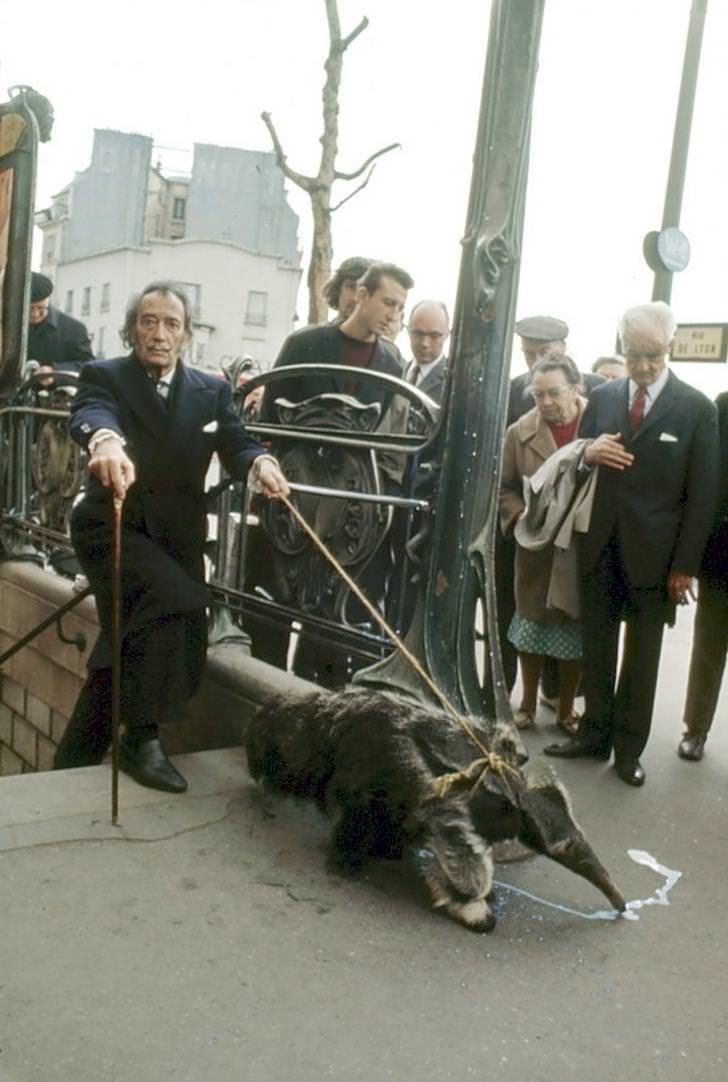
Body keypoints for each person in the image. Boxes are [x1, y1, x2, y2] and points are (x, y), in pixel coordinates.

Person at [53, 281, 288, 792]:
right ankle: (141, 739)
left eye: (171, 324)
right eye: (148, 322)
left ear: (185, 334)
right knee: (177, 600)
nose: (159, 334)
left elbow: (236, 441)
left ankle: (75, 756)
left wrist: (260, 464)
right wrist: (106, 441)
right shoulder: (105, 376)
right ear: (133, 328)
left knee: (128, 633)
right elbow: (90, 413)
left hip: (177, 536)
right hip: (112, 526)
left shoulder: (211, 389)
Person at [545, 301, 719, 787]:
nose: (642, 366)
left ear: (671, 346)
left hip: (658, 559)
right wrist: (587, 453)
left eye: (653, 355)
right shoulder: (603, 396)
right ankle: (593, 735)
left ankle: (628, 750)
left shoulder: (696, 408)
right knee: (596, 647)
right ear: (621, 344)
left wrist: (685, 566)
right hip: (599, 544)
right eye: (633, 353)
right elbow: (572, 462)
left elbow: (702, 495)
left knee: (642, 658)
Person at [500, 355, 587, 734]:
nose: (547, 402)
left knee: (573, 628)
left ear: (576, 387)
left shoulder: (597, 423)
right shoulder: (519, 433)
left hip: (579, 548)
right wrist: (519, 515)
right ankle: (527, 705)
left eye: (555, 393)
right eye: (538, 395)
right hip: (534, 549)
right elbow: (501, 486)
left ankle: (567, 709)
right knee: (530, 628)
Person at [677, 389, 728, 762]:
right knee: (709, 646)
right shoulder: (723, 406)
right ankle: (696, 729)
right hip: (723, 552)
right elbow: (708, 476)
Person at [27, 272, 94, 375]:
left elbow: (87, 365)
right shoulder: (7, 327)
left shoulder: (74, 329)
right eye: (30, 309)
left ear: (48, 301)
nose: (35, 314)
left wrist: (55, 370)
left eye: (40, 308)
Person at [404, 300, 450, 402]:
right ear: (408, 331)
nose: (425, 343)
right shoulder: (396, 370)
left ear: (447, 335)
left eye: (434, 336)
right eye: (418, 333)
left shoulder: (453, 382)